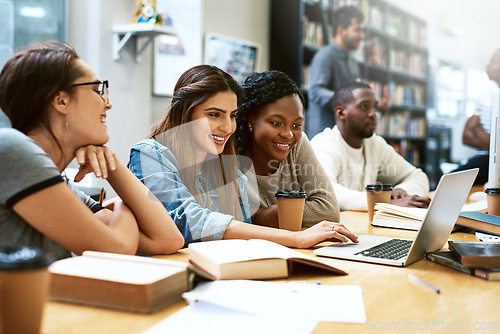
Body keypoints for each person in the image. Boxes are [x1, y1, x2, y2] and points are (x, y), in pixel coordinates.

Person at [129, 65, 358, 248]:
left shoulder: (226, 168)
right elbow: (189, 222)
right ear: (184, 112)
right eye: (215, 115)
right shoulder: (150, 154)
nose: (227, 127)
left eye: (232, 116)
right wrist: (297, 239)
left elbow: (244, 235)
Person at [0, 41, 184, 261]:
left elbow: (168, 239)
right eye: (97, 90)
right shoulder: (11, 149)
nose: (108, 104)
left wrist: (113, 166)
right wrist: (125, 203)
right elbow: (117, 249)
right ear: (61, 101)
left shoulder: (60, 183)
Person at [235, 70, 340, 228]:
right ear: (251, 119)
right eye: (276, 123)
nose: (288, 134)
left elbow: (329, 210)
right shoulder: (229, 150)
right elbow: (222, 219)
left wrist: (270, 214)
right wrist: (257, 217)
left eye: (296, 125)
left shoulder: (298, 143)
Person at [311, 82, 430, 211]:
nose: (374, 114)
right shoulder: (323, 145)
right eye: (364, 107)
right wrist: (385, 203)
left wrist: (402, 190)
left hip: (361, 225)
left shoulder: (375, 144)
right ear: (341, 113)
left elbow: (417, 176)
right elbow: (326, 193)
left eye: (375, 108)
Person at [307, 6, 365, 138]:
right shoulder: (325, 56)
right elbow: (316, 92)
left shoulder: (353, 62)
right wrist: (347, 99)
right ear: (341, 31)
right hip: (325, 139)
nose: (362, 36)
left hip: (346, 137)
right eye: (357, 30)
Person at [452, 48, 500, 185]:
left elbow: (496, 147)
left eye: (492, 62)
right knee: (450, 180)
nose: (487, 65)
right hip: (486, 158)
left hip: (492, 159)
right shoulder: (485, 97)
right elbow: (466, 137)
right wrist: (490, 143)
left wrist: (478, 130)